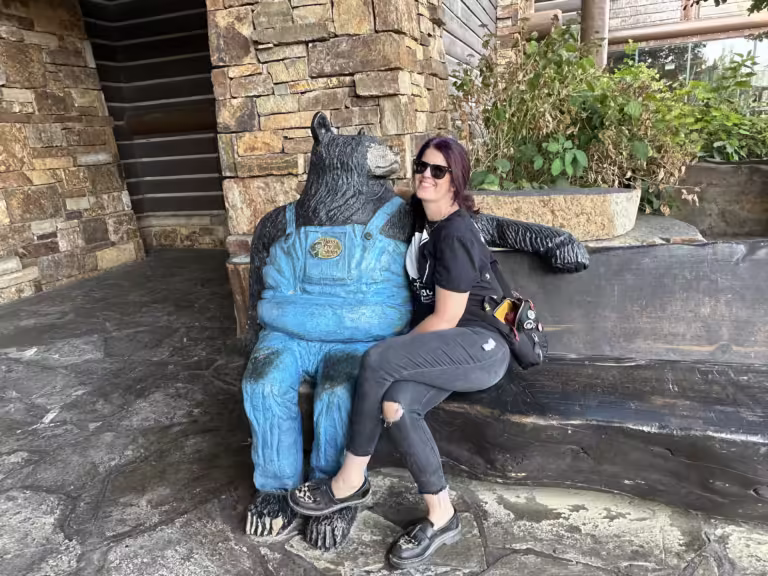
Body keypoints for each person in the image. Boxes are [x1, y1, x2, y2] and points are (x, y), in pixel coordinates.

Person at [287, 138, 512, 568]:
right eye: (421, 166)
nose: (426, 175)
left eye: (438, 170)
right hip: (445, 347)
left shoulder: (456, 233)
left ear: (456, 180)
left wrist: (396, 349)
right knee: (395, 405)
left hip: (480, 345)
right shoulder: (422, 218)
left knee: (377, 360)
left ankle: (349, 479)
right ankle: (442, 515)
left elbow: (446, 318)